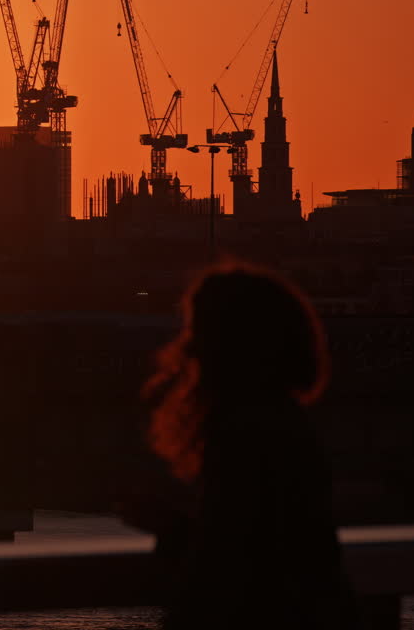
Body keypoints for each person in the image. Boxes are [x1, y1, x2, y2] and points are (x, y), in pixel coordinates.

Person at [131, 262, 355, 629]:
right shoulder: (283, 424)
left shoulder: (244, 431)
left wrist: (175, 532)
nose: (189, 348)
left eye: (198, 332)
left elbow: (233, 562)